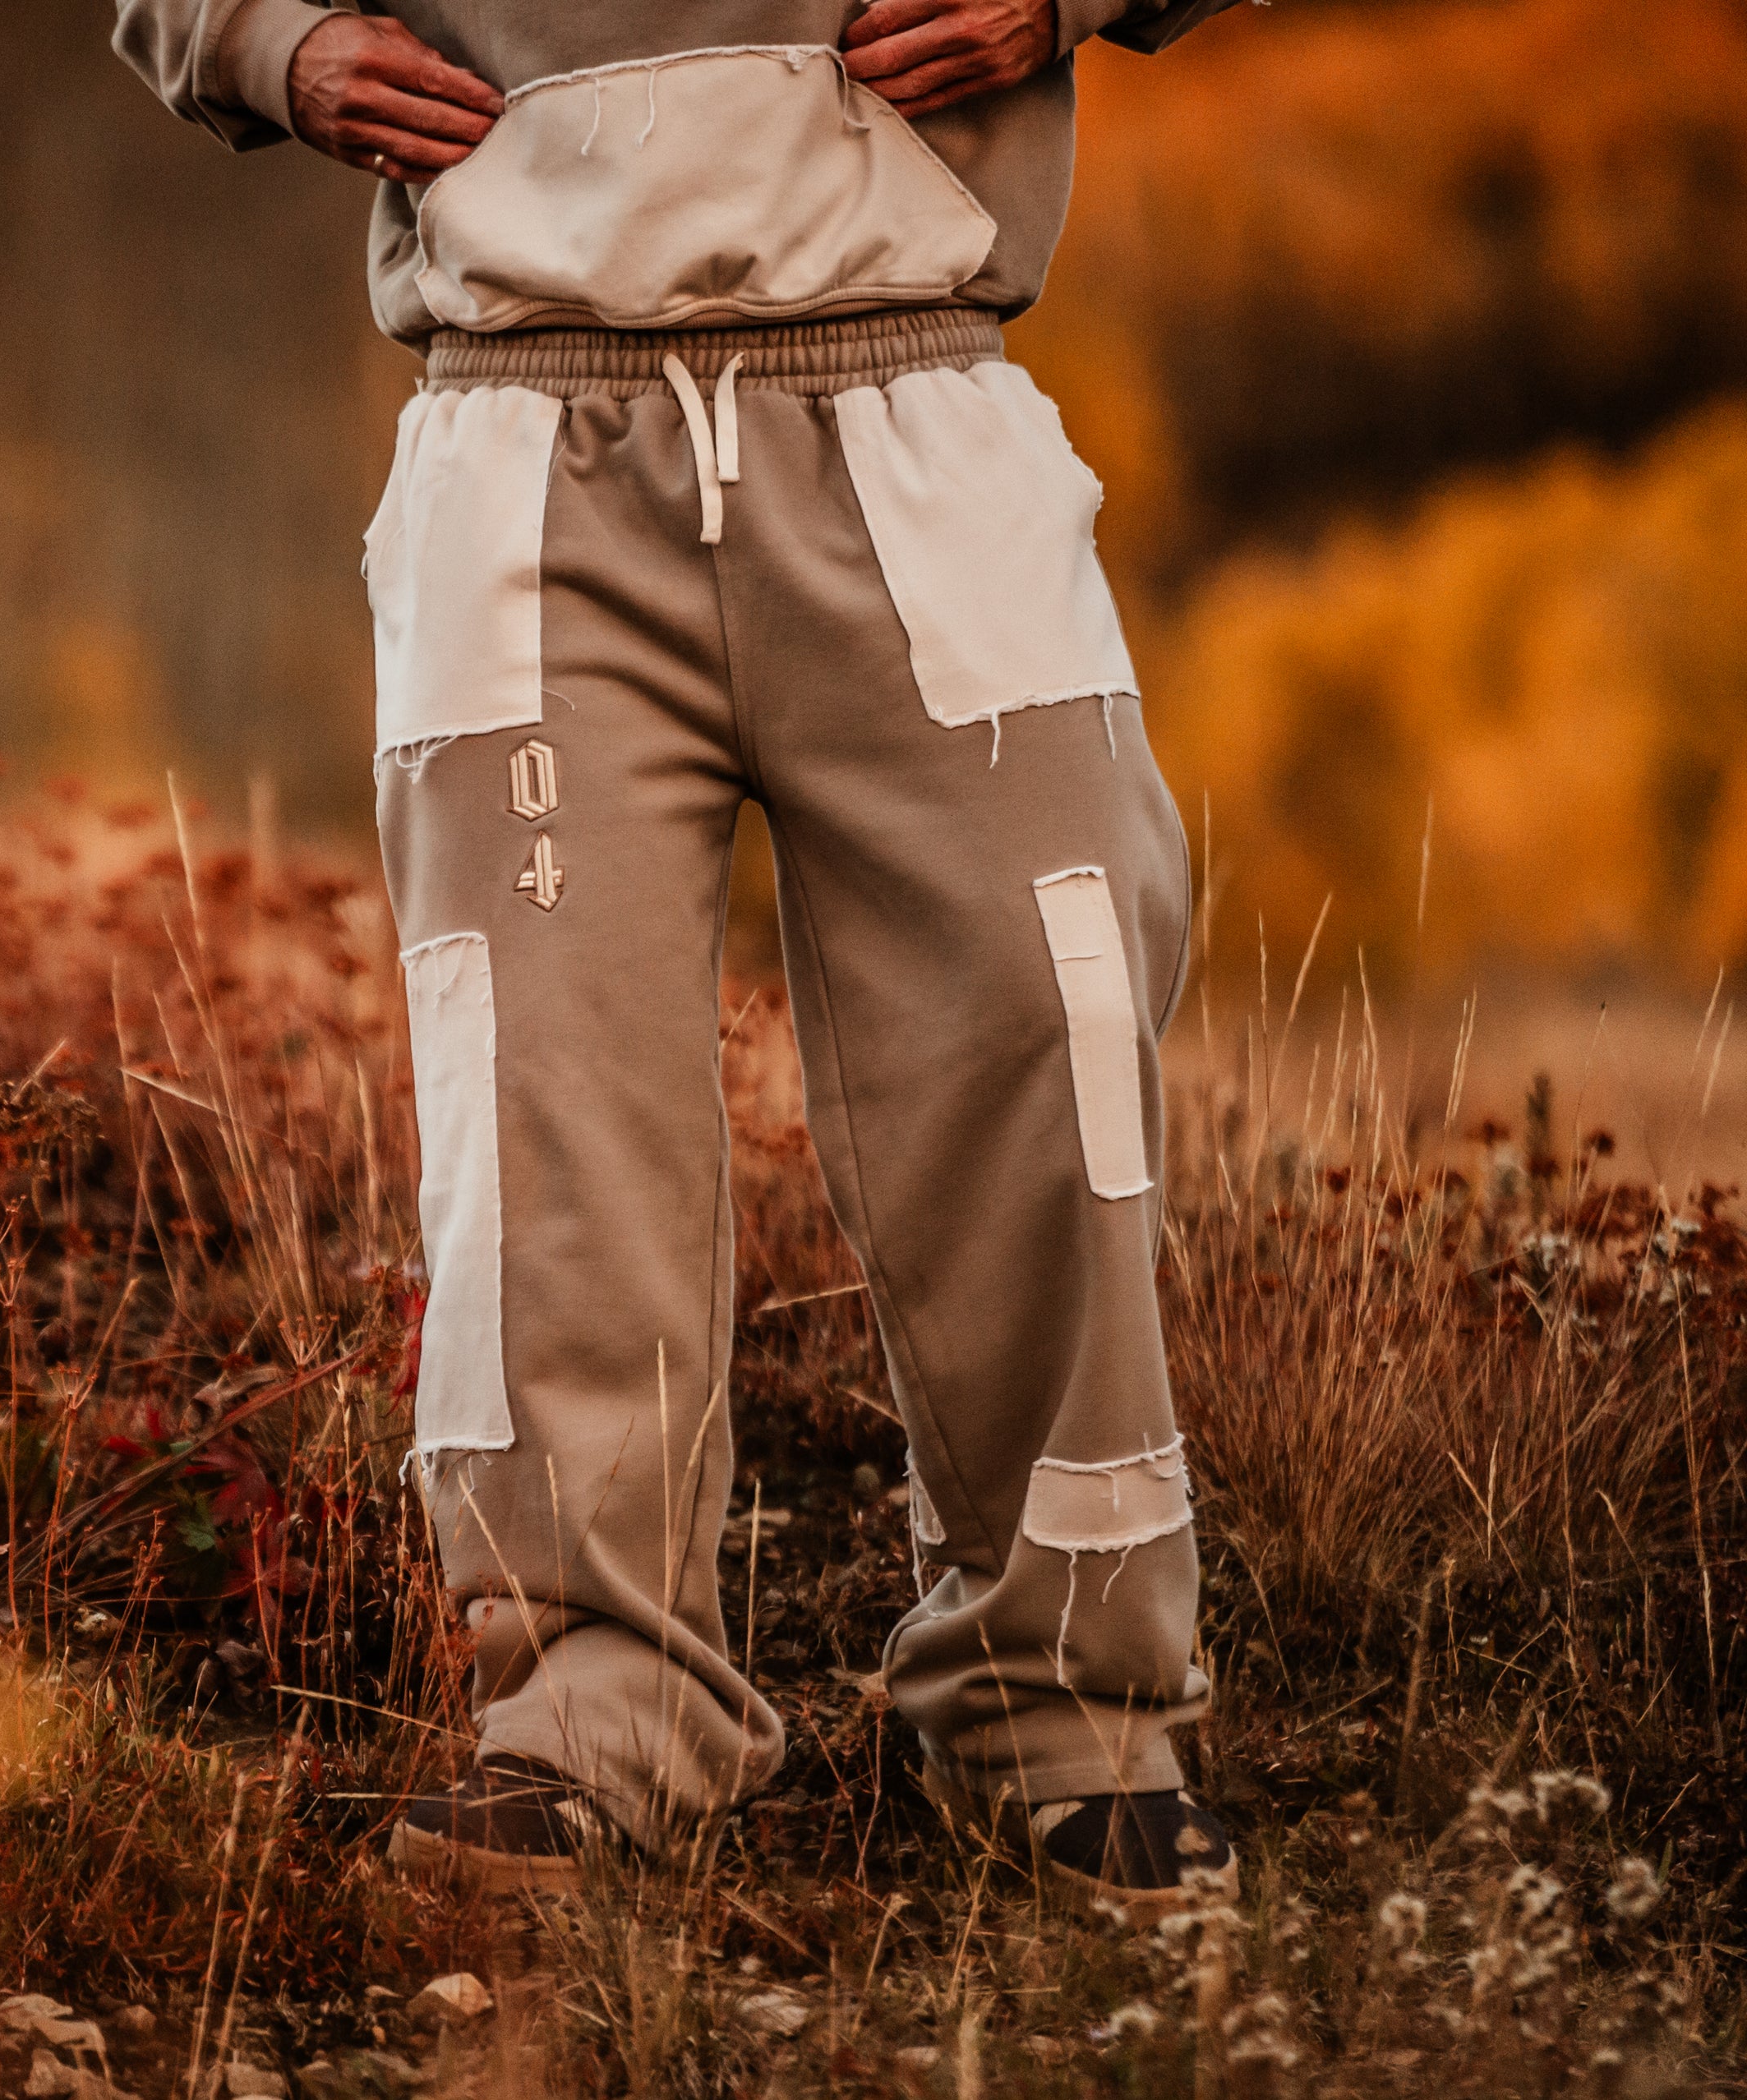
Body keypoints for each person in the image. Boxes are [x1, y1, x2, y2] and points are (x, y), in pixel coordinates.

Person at [113, 0, 1246, 1919]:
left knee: (1050, 1026)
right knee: (540, 1096)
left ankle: (1069, 1711)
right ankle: (588, 1715)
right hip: (520, 430)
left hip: (917, 396)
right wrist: (258, 39)